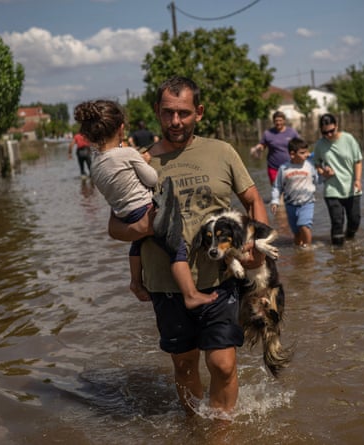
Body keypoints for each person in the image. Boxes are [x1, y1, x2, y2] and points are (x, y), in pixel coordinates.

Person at [108, 76, 269, 416]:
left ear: (199, 112)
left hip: (220, 276)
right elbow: (115, 227)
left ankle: (220, 436)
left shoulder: (222, 151)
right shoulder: (139, 162)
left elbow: (253, 200)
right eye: (168, 113)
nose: (175, 122)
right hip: (166, 286)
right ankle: (195, 427)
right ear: (157, 112)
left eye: (183, 113)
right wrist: (146, 226)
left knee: (223, 365)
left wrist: (254, 246)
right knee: (183, 368)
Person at [74, 99, 217, 309]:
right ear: (121, 128)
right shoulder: (128, 153)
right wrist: (144, 161)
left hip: (123, 213)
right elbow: (151, 179)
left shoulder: (95, 164)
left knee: (137, 243)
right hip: (145, 208)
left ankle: (136, 282)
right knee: (177, 248)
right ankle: (190, 294)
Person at [313, 113, 363, 246]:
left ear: (337, 126)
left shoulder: (348, 139)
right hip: (332, 189)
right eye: (325, 132)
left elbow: (357, 161)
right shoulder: (320, 145)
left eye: (331, 131)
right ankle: (338, 258)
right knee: (337, 222)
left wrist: (357, 180)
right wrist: (323, 172)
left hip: (351, 188)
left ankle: (350, 240)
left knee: (354, 220)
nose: (328, 135)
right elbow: (316, 163)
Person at [270, 137, 318, 249]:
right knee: (296, 233)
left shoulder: (310, 165)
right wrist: (275, 201)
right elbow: (277, 186)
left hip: (307, 203)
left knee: (304, 226)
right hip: (290, 205)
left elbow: (317, 179)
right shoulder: (284, 168)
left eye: (307, 151)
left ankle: (308, 249)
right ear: (292, 154)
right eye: (302, 153)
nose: (307, 154)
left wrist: (325, 174)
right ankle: (298, 250)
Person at [250, 110, 299, 185]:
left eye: (280, 120)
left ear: (284, 121)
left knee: (290, 189)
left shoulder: (292, 132)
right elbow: (262, 145)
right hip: (273, 167)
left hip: (289, 166)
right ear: (273, 121)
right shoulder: (268, 133)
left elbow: (300, 145)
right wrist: (258, 148)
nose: (278, 123)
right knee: (276, 190)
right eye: (276, 120)